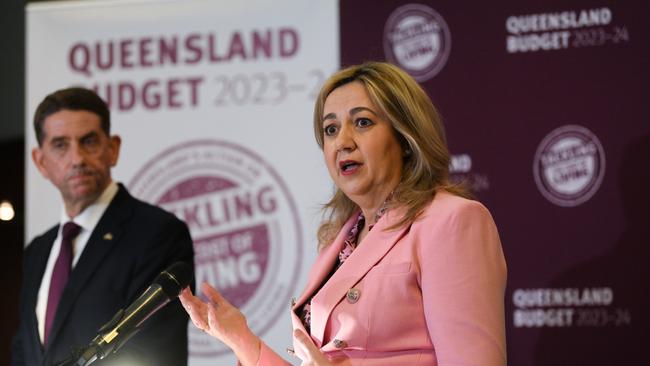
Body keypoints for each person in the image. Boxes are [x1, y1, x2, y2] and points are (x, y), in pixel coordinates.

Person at [179, 62, 507, 365]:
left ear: (405, 137)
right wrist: (240, 339)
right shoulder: (338, 242)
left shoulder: (452, 221)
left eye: (362, 122)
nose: (343, 142)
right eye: (331, 129)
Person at [11, 87, 195, 366]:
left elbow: (155, 354)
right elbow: (24, 352)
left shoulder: (157, 233)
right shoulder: (37, 251)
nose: (77, 159)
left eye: (89, 142)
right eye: (60, 145)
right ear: (40, 161)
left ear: (113, 149)